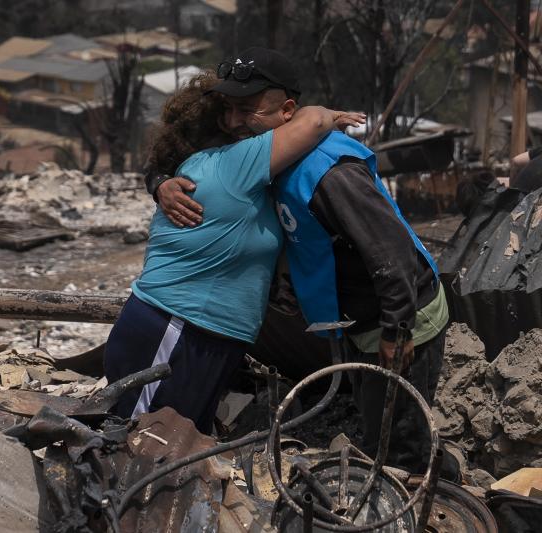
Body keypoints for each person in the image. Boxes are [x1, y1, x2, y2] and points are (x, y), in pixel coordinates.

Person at [148, 47, 449, 473]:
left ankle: (438, 499)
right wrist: (159, 182)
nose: (234, 123)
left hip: (402, 315)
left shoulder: (328, 171)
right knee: (380, 422)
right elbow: (171, 153)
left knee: (398, 441)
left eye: (247, 110)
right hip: (362, 318)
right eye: (228, 110)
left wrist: (396, 329)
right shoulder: (267, 155)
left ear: (288, 111)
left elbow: (391, 250)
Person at [104, 70, 364, 435]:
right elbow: (315, 121)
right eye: (234, 111)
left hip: (206, 337)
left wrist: (158, 181)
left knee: (172, 453)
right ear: (218, 121)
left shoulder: (231, 173)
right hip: (177, 330)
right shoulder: (229, 165)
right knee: (134, 447)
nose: (241, 120)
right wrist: (331, 115)